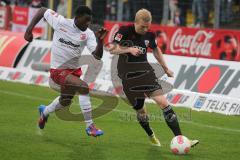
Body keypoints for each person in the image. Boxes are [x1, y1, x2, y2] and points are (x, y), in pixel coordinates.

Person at [110, 8, 199, 147]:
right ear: (136, 22)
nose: (145, 29)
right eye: (142, 26)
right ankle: (150, 134)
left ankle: (181, 139)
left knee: (163, 103)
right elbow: (112, 48)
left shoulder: (150, 35)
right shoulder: (124, 31)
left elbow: (156, 49)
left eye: (147, 26)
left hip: (146, 73)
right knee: (141, 111)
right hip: (129, 77)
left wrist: (165, 68)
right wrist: (129, 49)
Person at [24, 6, 108, 137]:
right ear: (77, 17)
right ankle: (90, 126)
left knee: (65, 100)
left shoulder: (89, 34)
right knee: (83, 87)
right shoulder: (61, 22)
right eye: (86, 20)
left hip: (74, 71)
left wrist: (100, 41)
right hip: (58, 70)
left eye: (89, 21)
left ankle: (44, 112)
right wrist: (29, 30)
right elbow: (41, 10)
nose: (88, 24)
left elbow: (97, 56)